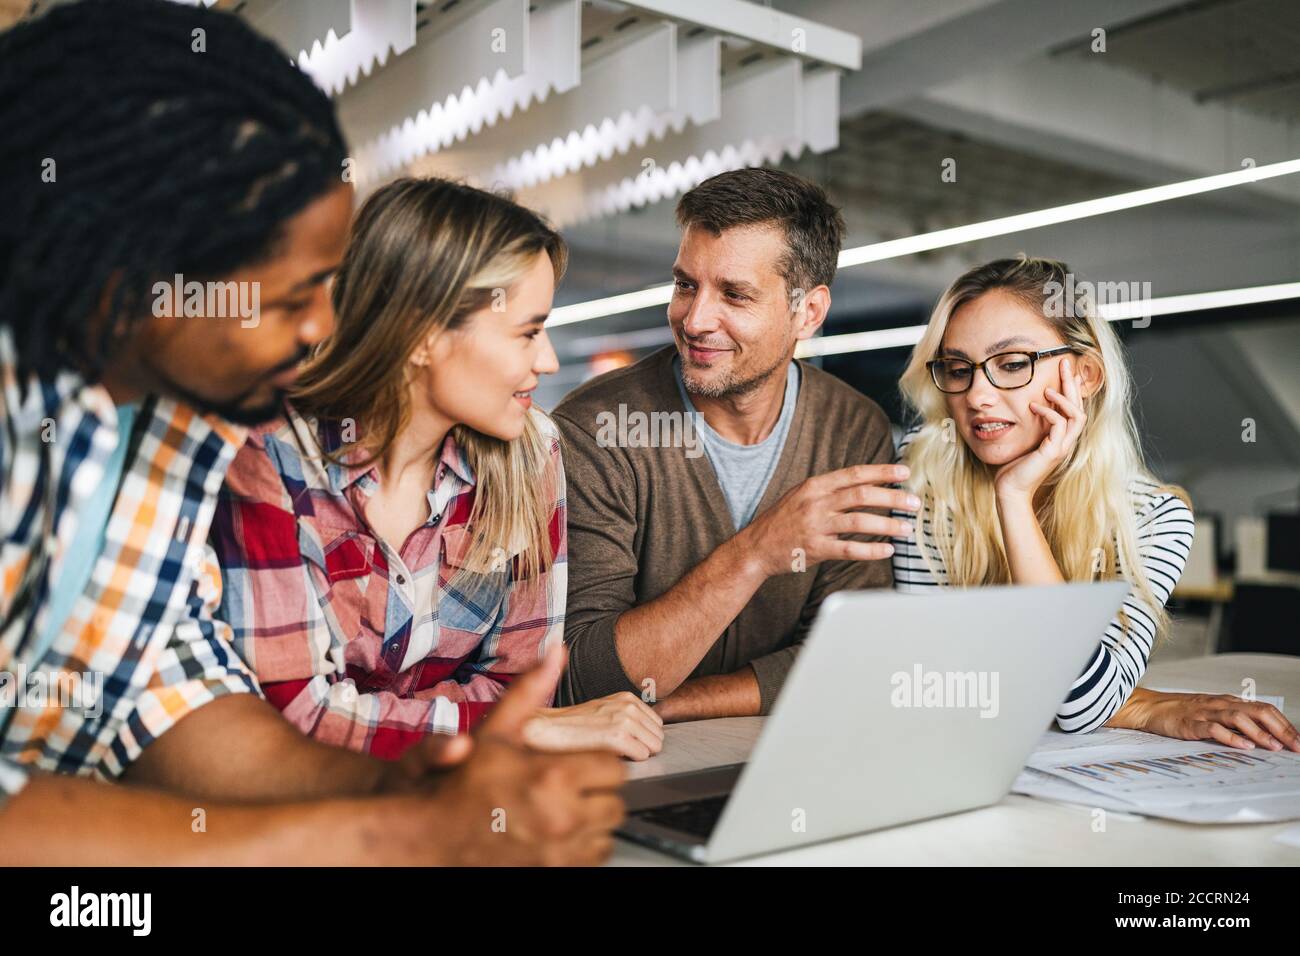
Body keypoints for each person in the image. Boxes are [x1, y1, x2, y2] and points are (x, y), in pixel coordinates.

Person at [0, 0, 623, 866]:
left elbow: (172, 693)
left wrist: (412, 787)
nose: (326, 325)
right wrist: (391, 833)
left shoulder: (183, 431)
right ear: (135, 276)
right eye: (294, 297)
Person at [213, 177, 664, 761]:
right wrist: (507, 729)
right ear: (424, 335)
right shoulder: (270, 457)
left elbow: (521, 687)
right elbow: (293, 715)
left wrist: (460, 724)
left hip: (457, 801)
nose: (548, 360)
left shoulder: (531, 454)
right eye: (528, 331)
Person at [892, 255, 1300, 752]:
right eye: (958, 369)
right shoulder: (920, 481)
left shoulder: (1154, 518)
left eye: (1013, 364)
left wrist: (1013, 498)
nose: (977, 395)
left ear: (1084, 376)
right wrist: (1141, 704)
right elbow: (933, 684)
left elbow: (1080, 704)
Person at [554, 167, 918, 720]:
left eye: (735, 294)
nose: (695, 319)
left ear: (809, 312)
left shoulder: (852, 430)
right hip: (615, 776)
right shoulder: (597, 430)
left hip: (782, 757)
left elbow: (850, 656)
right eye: (685, 285)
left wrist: (677, 704)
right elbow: (584, 678)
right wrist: (756, 553)